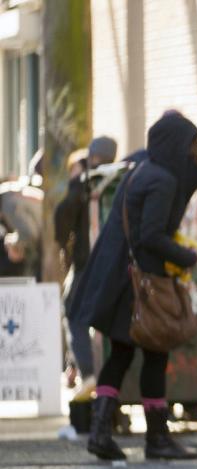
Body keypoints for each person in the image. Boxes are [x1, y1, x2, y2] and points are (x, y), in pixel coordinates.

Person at [68, 112, 197, 461]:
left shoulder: (142, 170)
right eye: (192, 146)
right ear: (176, 145)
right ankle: (157, 437)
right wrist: (186, 256)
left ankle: (101, 431)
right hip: (142, 284)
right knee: (155, 355)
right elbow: (151, 236)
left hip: (120, 279)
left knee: (122, 354)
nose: (196, 153)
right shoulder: (162, 180)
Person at [55, 137, 118, 399]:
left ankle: (90, 375)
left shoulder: (83, 184)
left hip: (87, 264)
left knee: (74, 314)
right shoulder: (121, 178)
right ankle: (106, 381)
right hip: (116, 264)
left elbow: (62, 220)